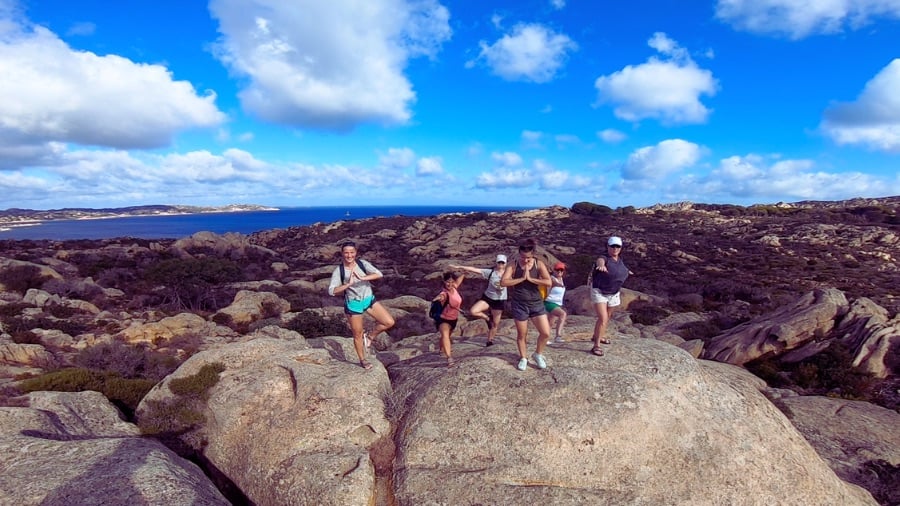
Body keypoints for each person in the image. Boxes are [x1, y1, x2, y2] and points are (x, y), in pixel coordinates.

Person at [327, 241, 395, 369]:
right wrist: (348, 284)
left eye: (352, 252)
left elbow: (379, 274)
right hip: (353, 304)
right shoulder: (339, 271)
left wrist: (364, 278)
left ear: (356, 253)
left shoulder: (362, 264)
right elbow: (331, 291)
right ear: (342, 254)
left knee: (389, 322)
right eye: (346, 252)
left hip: (369, 299)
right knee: (357, 334)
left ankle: (370, 336)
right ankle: (363, 360)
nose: (349, 255)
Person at [501, 238, 553, 371]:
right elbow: (504, 282)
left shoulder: (539, 264)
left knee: (546, 333)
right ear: (519, 254)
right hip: (519, 303)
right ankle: (523, 357)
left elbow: (548, 282)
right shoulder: (513, 265)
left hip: (536, 302)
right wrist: (521, 279)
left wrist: (531, 279)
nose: (525, 260)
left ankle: (538, 354)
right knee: (522, 334)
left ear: (533, 254)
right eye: (523, 257)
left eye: (528, 257)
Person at [448, 254, 508, 346]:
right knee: (473, 311)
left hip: (499, 300)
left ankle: (489, 341)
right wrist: (459, 266)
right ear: (496, 262)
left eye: (502, 263)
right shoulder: (490, 272)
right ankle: (487, 318)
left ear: (505, 263)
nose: (501, 264)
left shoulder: (508, 274)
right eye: (499, 262)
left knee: (495, 324)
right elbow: (475, 269)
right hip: (488, 297)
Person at [589, 236, 631, 357]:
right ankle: (596, 345)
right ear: (607, 246)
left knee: (608, 316)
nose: (615, 249)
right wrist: (601, 266)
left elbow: (621, 268)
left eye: (617, 246)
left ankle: (597, 336)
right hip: (600, 291)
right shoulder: (604, 257)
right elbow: (600, 261)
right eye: (612, 246)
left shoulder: (619, 259)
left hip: (614, 292)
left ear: (621, 248)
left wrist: (627, 272)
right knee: (603, 318)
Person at [433, 271, 465, 367]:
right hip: (443, 319)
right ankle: (449, 358)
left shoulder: (454, 288)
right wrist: (437, 299)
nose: (450, 284)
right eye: (448, 282)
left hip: (453, 319)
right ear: (444, 282)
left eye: (452, 281)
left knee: (446, 335)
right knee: (445, 335)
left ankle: (441, 349)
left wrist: (464, 272)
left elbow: (459, 281)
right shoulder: (444, 293)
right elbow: (439, 297)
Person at [545, 261, 567, 345]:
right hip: (550, 302)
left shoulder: (561, 279)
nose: (559, 272)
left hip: (557, 303)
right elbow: (553, 283)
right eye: (557, 270)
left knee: (550, 323)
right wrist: (558, 285)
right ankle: (558, 336)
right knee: (563, 314)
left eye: (561, 270)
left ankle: (545, 338)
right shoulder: (551, 278)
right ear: (554, 270)